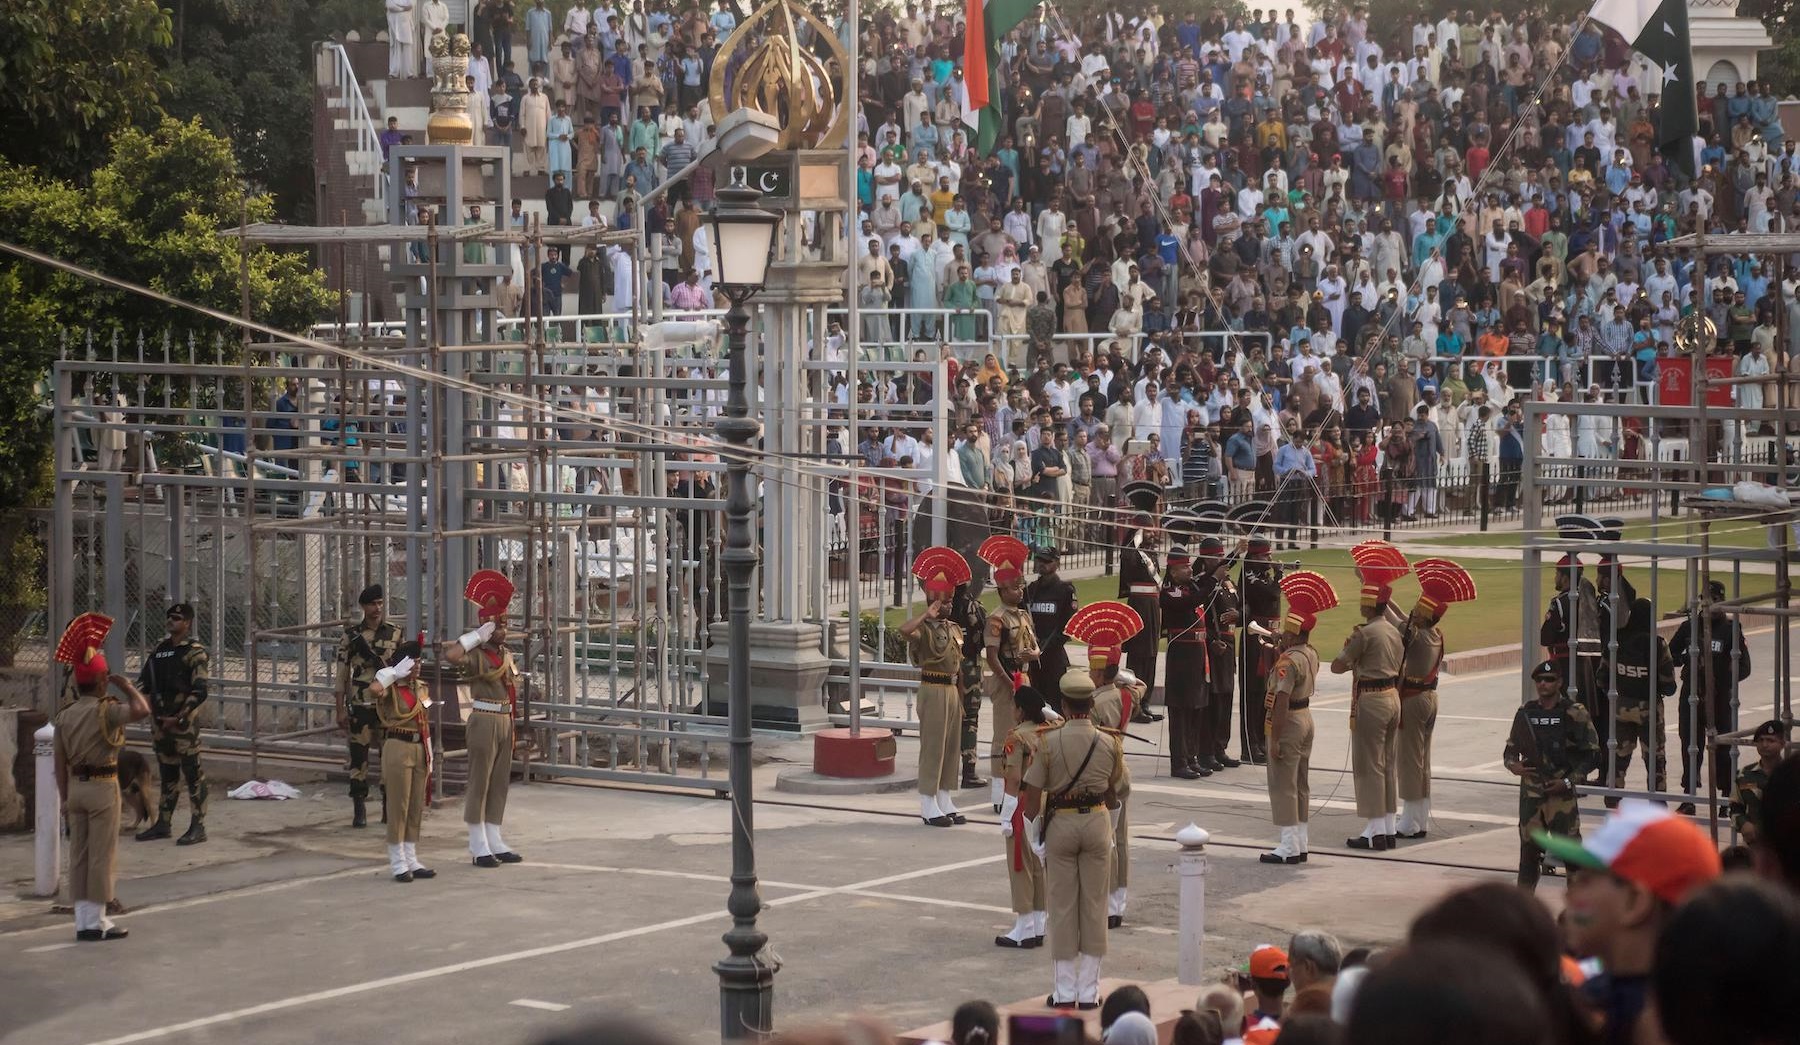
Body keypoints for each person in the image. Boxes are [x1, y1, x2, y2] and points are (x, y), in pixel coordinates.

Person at [1536, 800, 1723, 1045]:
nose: (1568, 895)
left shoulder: (1651, 1025)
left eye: (1586, 881)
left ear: (1635, 902)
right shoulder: (1589, 998)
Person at [1020, 668, 1125, 1011]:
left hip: (1061, 825)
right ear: (1091, 703)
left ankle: (1064, 992)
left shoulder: (1048, 742)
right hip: (1096, 822)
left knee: (1063, 908)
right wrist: (1107, 825)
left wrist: (1035, 834)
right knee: (1095, 907)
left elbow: (1033, 795)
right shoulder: (1109, 742)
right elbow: (1117, 791)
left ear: (1064, 706)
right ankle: (1089, 993)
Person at [52, 613, 151, 941]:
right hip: (103, 787)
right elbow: (141, 711)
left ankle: (82, 921)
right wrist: (127, 686)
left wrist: (65, 799)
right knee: (101, 855)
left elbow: (58, 762)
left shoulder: (64, 716)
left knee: (78, 854)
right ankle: (97, 922)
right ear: (99, 682)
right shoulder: (105, 710)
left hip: (76, 789)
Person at [1068, 600, 1144, 929]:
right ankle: (1118, 902)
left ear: (1098, 671)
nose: (1088, 673)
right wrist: (1121, 675)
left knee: (1102, 841)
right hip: (1121, 768)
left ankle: (1104, 900)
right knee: (1121, 840)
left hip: (1099, 773)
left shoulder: (1095, 703)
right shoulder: (1128, 696)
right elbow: (1137, 685)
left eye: (1091, 669)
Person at [442, 569, 524, 867]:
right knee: (480, 781)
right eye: (499, 623)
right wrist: (475, 638)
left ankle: (495, 837)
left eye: (505, 622)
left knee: (500, 781)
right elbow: (450, 657)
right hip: (484, 718)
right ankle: (477, 843)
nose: (505, 627)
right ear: (488, 626)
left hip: (504, 720)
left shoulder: (506, 655)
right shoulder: (478, 656)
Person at [1330, 542, 1408, 850]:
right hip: (1392, 697)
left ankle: (1374, 831)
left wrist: (1349, 647)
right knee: (1387, 764)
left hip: (1372, 700)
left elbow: (1337, 666)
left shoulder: (1365, 634)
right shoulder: (1394, 631)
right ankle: (1387, 827)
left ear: (1367, 605)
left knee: (1369, 766)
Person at [1396, 559, 1475, 838]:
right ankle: (1419, 818)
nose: (1413, 611)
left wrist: (1385, 595)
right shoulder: (1435, 634)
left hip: (1414, 700)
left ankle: (1409, 821)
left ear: (1424, 613)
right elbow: (1403, 621)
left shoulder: (1417, 636)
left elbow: (1397, 623)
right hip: (1429, 697)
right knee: (1422, 759)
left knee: (1409, 759)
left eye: (1418, 608)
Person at [1505, 660, 1601, 892]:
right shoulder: (1526, 713)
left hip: (1562, 797)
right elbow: (1510, 750)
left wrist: (1568, 781)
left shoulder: (1574, 713)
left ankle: (1579, 912)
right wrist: (1513, 766)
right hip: (1531, 797)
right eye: (1539, 680)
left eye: (1549, 680)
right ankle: (1523, 914)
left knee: (1573, 859)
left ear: (1559, 682)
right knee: (1528, 858)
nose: (1543, 684)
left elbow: (1592, 755)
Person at [1262, 571, 1336, 864]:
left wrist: (1276, 738)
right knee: (1301, 782)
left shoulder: (1287, 662)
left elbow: (1281, 700)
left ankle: (1288, 846)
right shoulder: (1310, 653)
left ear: (1293, 632)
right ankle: (1301, 841)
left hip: (1289, 721)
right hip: (1306, 718)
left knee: (1284, 784)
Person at [902, 546, 972, 827]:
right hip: (933, 689)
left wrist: (963, 697)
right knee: (933, 747)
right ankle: (927, 803)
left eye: (951, 600)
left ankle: (944, 797)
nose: (949, 605)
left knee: (951, 747)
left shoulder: (953, 628)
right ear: (933, 600)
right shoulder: (924, 629)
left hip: (952, 690)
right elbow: (904, 631)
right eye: (944, 601)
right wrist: (926, 614)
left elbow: (960, 664)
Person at [1668, 579, 1752, 812]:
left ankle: (1726, 798)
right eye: (1706, 599)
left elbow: (1744, 667)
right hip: (1692, 694)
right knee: (1690, 746)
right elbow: (1670, 654)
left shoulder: (1731, 629)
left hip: (1719, 697)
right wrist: (1686, 658)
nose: (1710, 604)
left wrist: (1721, 678)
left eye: (1715, 600)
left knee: (1724, 748)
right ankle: (1690, 796)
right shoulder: (1690, 627)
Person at [134, 603, 210, 846]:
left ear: (187, 623)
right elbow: (143, 683)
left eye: (176, 618)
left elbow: (200, 690)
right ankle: (163, 823)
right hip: (160, 723)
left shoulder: (194, 652)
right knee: (167, 775)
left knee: (192, 775)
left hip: (182, 726)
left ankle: (198, 825)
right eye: (169, 617)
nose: (171, 622)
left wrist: (179, 717)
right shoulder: (160, 651)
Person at [335, 584, 403, 829]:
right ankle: (359, 806)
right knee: (358, 755)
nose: (377, 609)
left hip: (386, 703)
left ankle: (387, 805)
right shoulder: (351, 635)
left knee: (389, 755)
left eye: (381, 603)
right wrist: (340, 708)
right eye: (372, 604)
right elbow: (342, 673)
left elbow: (402, 669)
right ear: (363, 607)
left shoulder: (395, 633)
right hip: (361, 701)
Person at [980, 535, 1040, 811]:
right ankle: (998, 793)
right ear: (1003, 590)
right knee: (1003, 736)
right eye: (1015, 588)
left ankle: (1017, 788)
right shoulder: (996, 618)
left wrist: (1033, 655)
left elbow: (1034, 646)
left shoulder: (1023, 616)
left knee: (1023, 735)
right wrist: (1010, 683)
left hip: (1023, 678)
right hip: (1006, 682)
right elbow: (992, 656)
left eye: (1020, 586)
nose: (1019, 591)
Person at [367, 641, 434, 882]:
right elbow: (374, 690)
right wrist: (393, 673)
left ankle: (412, 858)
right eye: (412, 661)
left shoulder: (421, 687)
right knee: (399, 804)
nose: (417, 665)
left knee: (415, 804)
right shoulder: (392, 687)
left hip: (419, 746)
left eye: (419, 661)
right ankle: (397, 861)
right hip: (398, 745)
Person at [996, 685, 1054, 948]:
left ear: (1020, 710)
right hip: (1043, 801)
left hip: (1021, 803)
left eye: (1014, 706)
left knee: (1020, 865)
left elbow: (1014, 777)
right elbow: (1058, 719)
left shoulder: (1016, 737)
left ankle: (1025, 926)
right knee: (1039, 864)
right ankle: (1039, 922)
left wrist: (1007, 815)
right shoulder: (1049, 731)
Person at [1160, 543, 1211, 780]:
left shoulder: (1190, 586)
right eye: (1184, 567)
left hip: (1197, 656)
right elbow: (1189, 602)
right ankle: (1178, 762)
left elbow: (1207, 580)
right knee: (1180, 710)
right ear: (1172, 571)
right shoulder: (1170, 591)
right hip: (1181, 657)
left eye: (1190, 566)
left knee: (1194, 708)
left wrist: (1233, 556)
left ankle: (1192, 757)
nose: (1189, 570)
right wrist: (1213, 581)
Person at [1117, 480, 1164, 724]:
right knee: (1138, 654)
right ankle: (1134, 704)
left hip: (1153, 605)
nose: (1154, 534)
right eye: (1149, 530)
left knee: (1152, 654)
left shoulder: (1150, 551)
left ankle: (1144, 701)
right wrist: (1136, 536)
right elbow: (1129, 559)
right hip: (1139, 605)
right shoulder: (1133, 551)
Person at [1239, 534, 1284, 765]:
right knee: (1252, 692)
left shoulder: (1262, 574)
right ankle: (1249, 745)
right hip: (1256, 637)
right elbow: (1272, 593)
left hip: (1271, 636)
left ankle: (1261, 741)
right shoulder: (1249, 573)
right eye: (1266, 555)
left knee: (1266, 692)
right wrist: (1279, 573)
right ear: (1255, 556)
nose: (1270, 558)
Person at [1024, 546, 1079, 704]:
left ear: (1057, 563)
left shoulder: (1065, 591)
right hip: (1033, 659)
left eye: (1047, 561)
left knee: (1055, 705)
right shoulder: (1031, 590)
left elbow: (1069, 626)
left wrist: (1046, 646)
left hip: (1054, 657)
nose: (1042, 564)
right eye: (1040, 560)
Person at [1729, 719, 1787, 842]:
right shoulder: (1744, 775)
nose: (1765, 745)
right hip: (1755, 845)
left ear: (1782, 744)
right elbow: (1735, 808)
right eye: (1761, 740)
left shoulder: (1791, 773)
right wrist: (1744, 824)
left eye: (1770, 740)